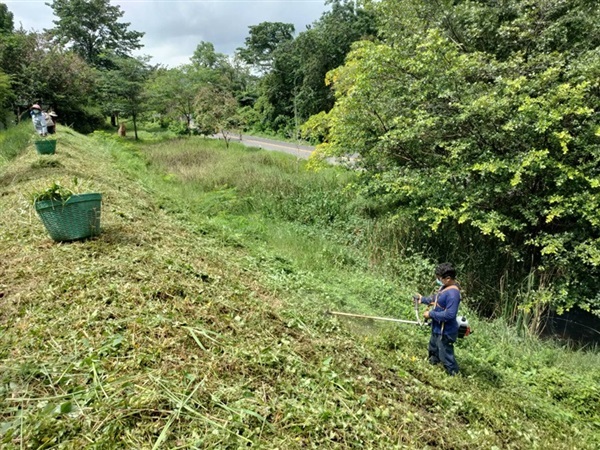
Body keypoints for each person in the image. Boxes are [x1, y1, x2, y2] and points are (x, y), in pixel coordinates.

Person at [415, 262, 461, 375]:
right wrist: (423, 299)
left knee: (445, 356)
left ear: (448, 278)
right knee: (433, 349)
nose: (438, 280)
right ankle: (432, 369)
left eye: (439, 278)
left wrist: (431, 314)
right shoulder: (445, 288)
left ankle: (454, 376)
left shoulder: (453, 294)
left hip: (445, 332)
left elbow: (450, 315)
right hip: (437, 328)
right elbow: (437, 299)